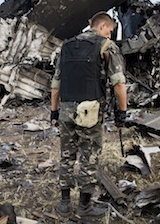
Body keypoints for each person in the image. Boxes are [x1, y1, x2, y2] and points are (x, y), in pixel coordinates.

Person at [50, 11, 127, 219]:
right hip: (90, 112)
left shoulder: (66, 46)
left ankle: (64, 205)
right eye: (109, 31)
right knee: (89, 157)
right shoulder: (106, 46)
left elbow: (56, 83)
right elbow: (119, 83)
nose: (109, 35)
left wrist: (54, 111)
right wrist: (122, 113)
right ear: (102, 27)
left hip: (65, 109)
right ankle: (84, 207)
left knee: (66, 156)